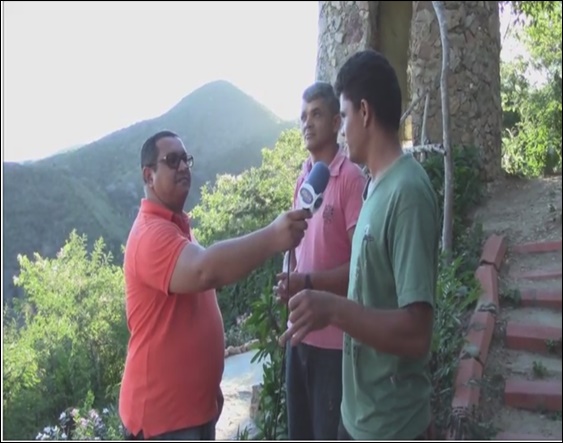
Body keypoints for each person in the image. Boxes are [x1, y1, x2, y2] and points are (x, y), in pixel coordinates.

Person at [279, 49, 440, 441]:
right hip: (359, 417)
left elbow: (417, 332)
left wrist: (332, 309)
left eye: (344, 115)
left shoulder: (408, 193)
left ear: (364, 113)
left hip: (393, 426)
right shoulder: (375, 187)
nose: (341, 127)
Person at [119, 130, 311, 441]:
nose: (183, 166)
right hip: (163, 421)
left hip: (191, 412)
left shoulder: (177, 227)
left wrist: (208, 390)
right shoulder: (151, 235)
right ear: (149, 175)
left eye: (186, 159)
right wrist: (273, 237)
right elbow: (205, 271)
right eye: (172, 160)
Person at [274, 82, 366, 440]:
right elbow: (298, 254)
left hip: (334, 344)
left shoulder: (351, 179)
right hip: (299, 337)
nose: (306, 124)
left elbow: (361, 269)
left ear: (335, 122)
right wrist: (291, 280)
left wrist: (307, 282)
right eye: (302, 117)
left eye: (316, 114)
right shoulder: (303, 179)